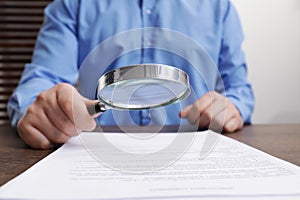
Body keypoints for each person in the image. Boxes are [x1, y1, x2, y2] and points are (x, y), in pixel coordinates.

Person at [7, 0, 254, 149]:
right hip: (90, 155)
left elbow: (239, 89)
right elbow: (41, 79)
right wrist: (41, 109)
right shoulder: (74, 4)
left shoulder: (217, 6)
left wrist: (232, 107)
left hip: (193, 154)